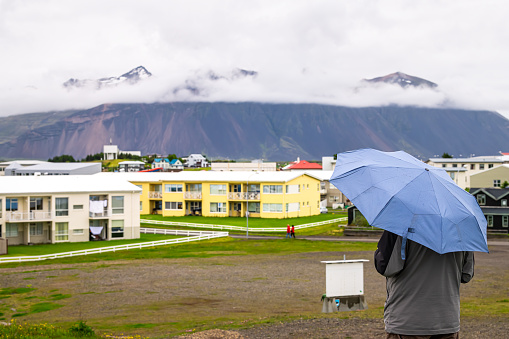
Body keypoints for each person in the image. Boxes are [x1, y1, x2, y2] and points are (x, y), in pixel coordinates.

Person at [374, 230, 474, 339]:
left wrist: (380, 251)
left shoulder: (401, 225)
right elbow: (466, 274)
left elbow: (386, 267)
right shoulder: (461, 228)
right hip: (447, 321)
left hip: (407, 322)